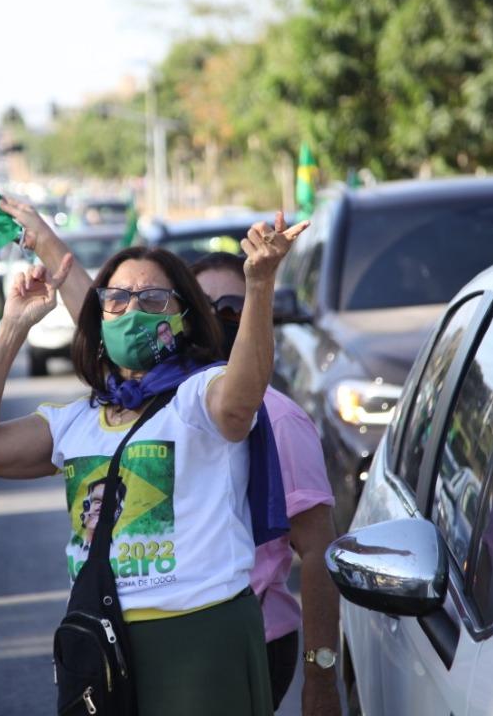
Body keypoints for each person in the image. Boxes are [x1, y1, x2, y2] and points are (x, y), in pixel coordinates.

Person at [0, 197, 308, 716]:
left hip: (199, 645)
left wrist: (259, 285)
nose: (132, 311)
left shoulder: (199, 398)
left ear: (185, 317)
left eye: (155, 300)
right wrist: (11, 330)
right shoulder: (74, 421)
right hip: (100, 641)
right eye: (117, 300)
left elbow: (244, 395)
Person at [192, 251, 342, 715]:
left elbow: (317, 550)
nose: (217, 321)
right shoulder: (161, 409)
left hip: (253, 649)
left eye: (233, 309)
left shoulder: (278, 418)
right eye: (202, 308)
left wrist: (319, 678)